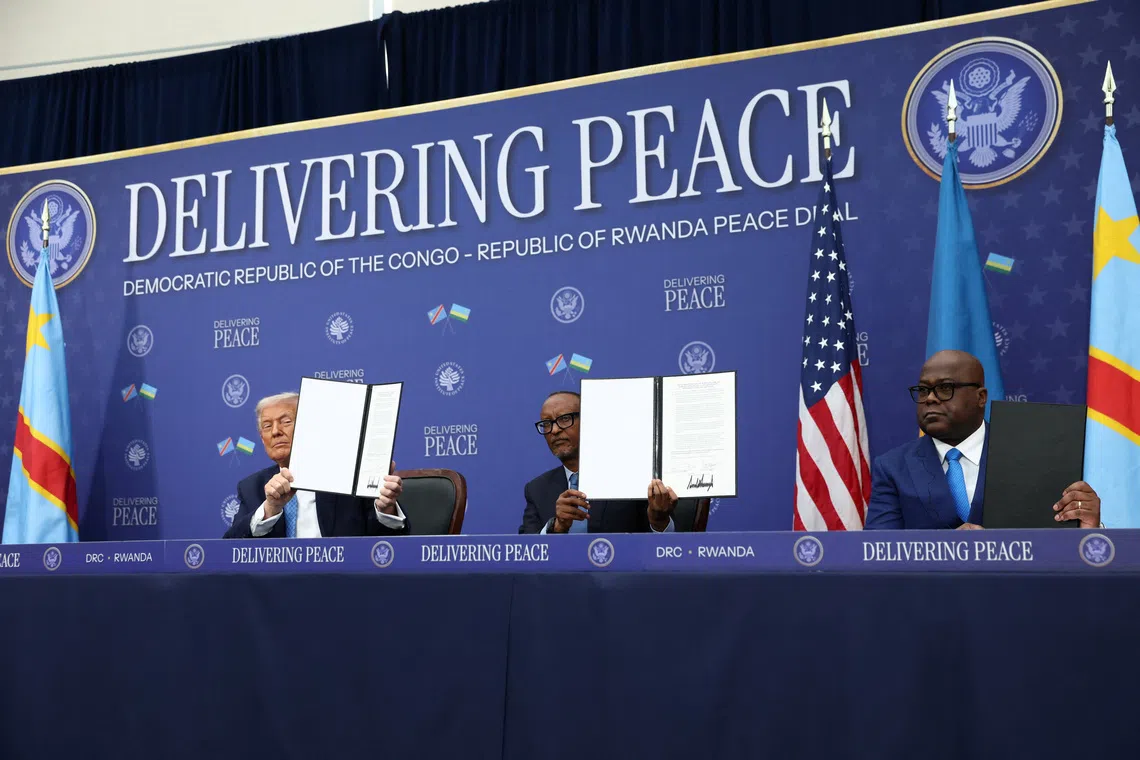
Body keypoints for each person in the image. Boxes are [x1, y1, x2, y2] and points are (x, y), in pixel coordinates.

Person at [865, 350, 1101, 530]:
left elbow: (1060, 551)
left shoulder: (1034, 455)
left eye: (945, 388)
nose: (931, 398)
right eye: (924, 390)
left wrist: (1088, 528)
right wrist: (949, 550)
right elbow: (879, 551)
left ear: (981, 397)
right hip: (930, 593)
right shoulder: (892, 467)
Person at [223, 392, 410, 538]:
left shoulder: (350, 477)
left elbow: (387, 546)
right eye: (266, 426)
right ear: (262, 440)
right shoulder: (252, 487)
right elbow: (231, 547)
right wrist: (269, 509)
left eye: (286, 422)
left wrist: (386, 511)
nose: (276, 432)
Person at [519, 390, 677, 534]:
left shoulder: (633, 476)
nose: (554, 430)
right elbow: (526, 554)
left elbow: (663, 550)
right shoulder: (537, 489)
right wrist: (557, 527)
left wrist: (658, 520)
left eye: (565, 419)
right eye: (547, 424)